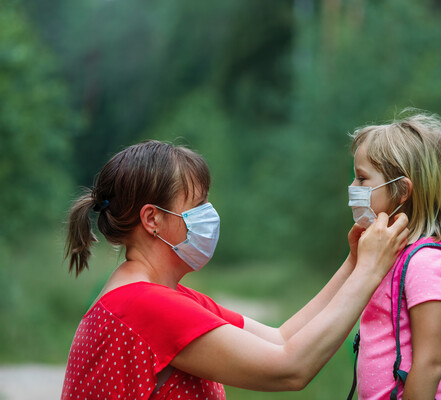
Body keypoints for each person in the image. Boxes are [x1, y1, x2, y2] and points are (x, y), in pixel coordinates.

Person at [61, 140, 409, 400]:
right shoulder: (143, 305)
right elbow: (290, 368)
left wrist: (353, 263)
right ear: (152, 219)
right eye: (197, 205)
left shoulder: (157, 296)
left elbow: (281, 338)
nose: (209, 215)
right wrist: (370, 271)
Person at [348, 111, 441, 400]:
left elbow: (430, 364)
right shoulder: (390, 257)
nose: (353, 188)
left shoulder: (424, 263)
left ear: (402, 191)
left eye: (362, 178)